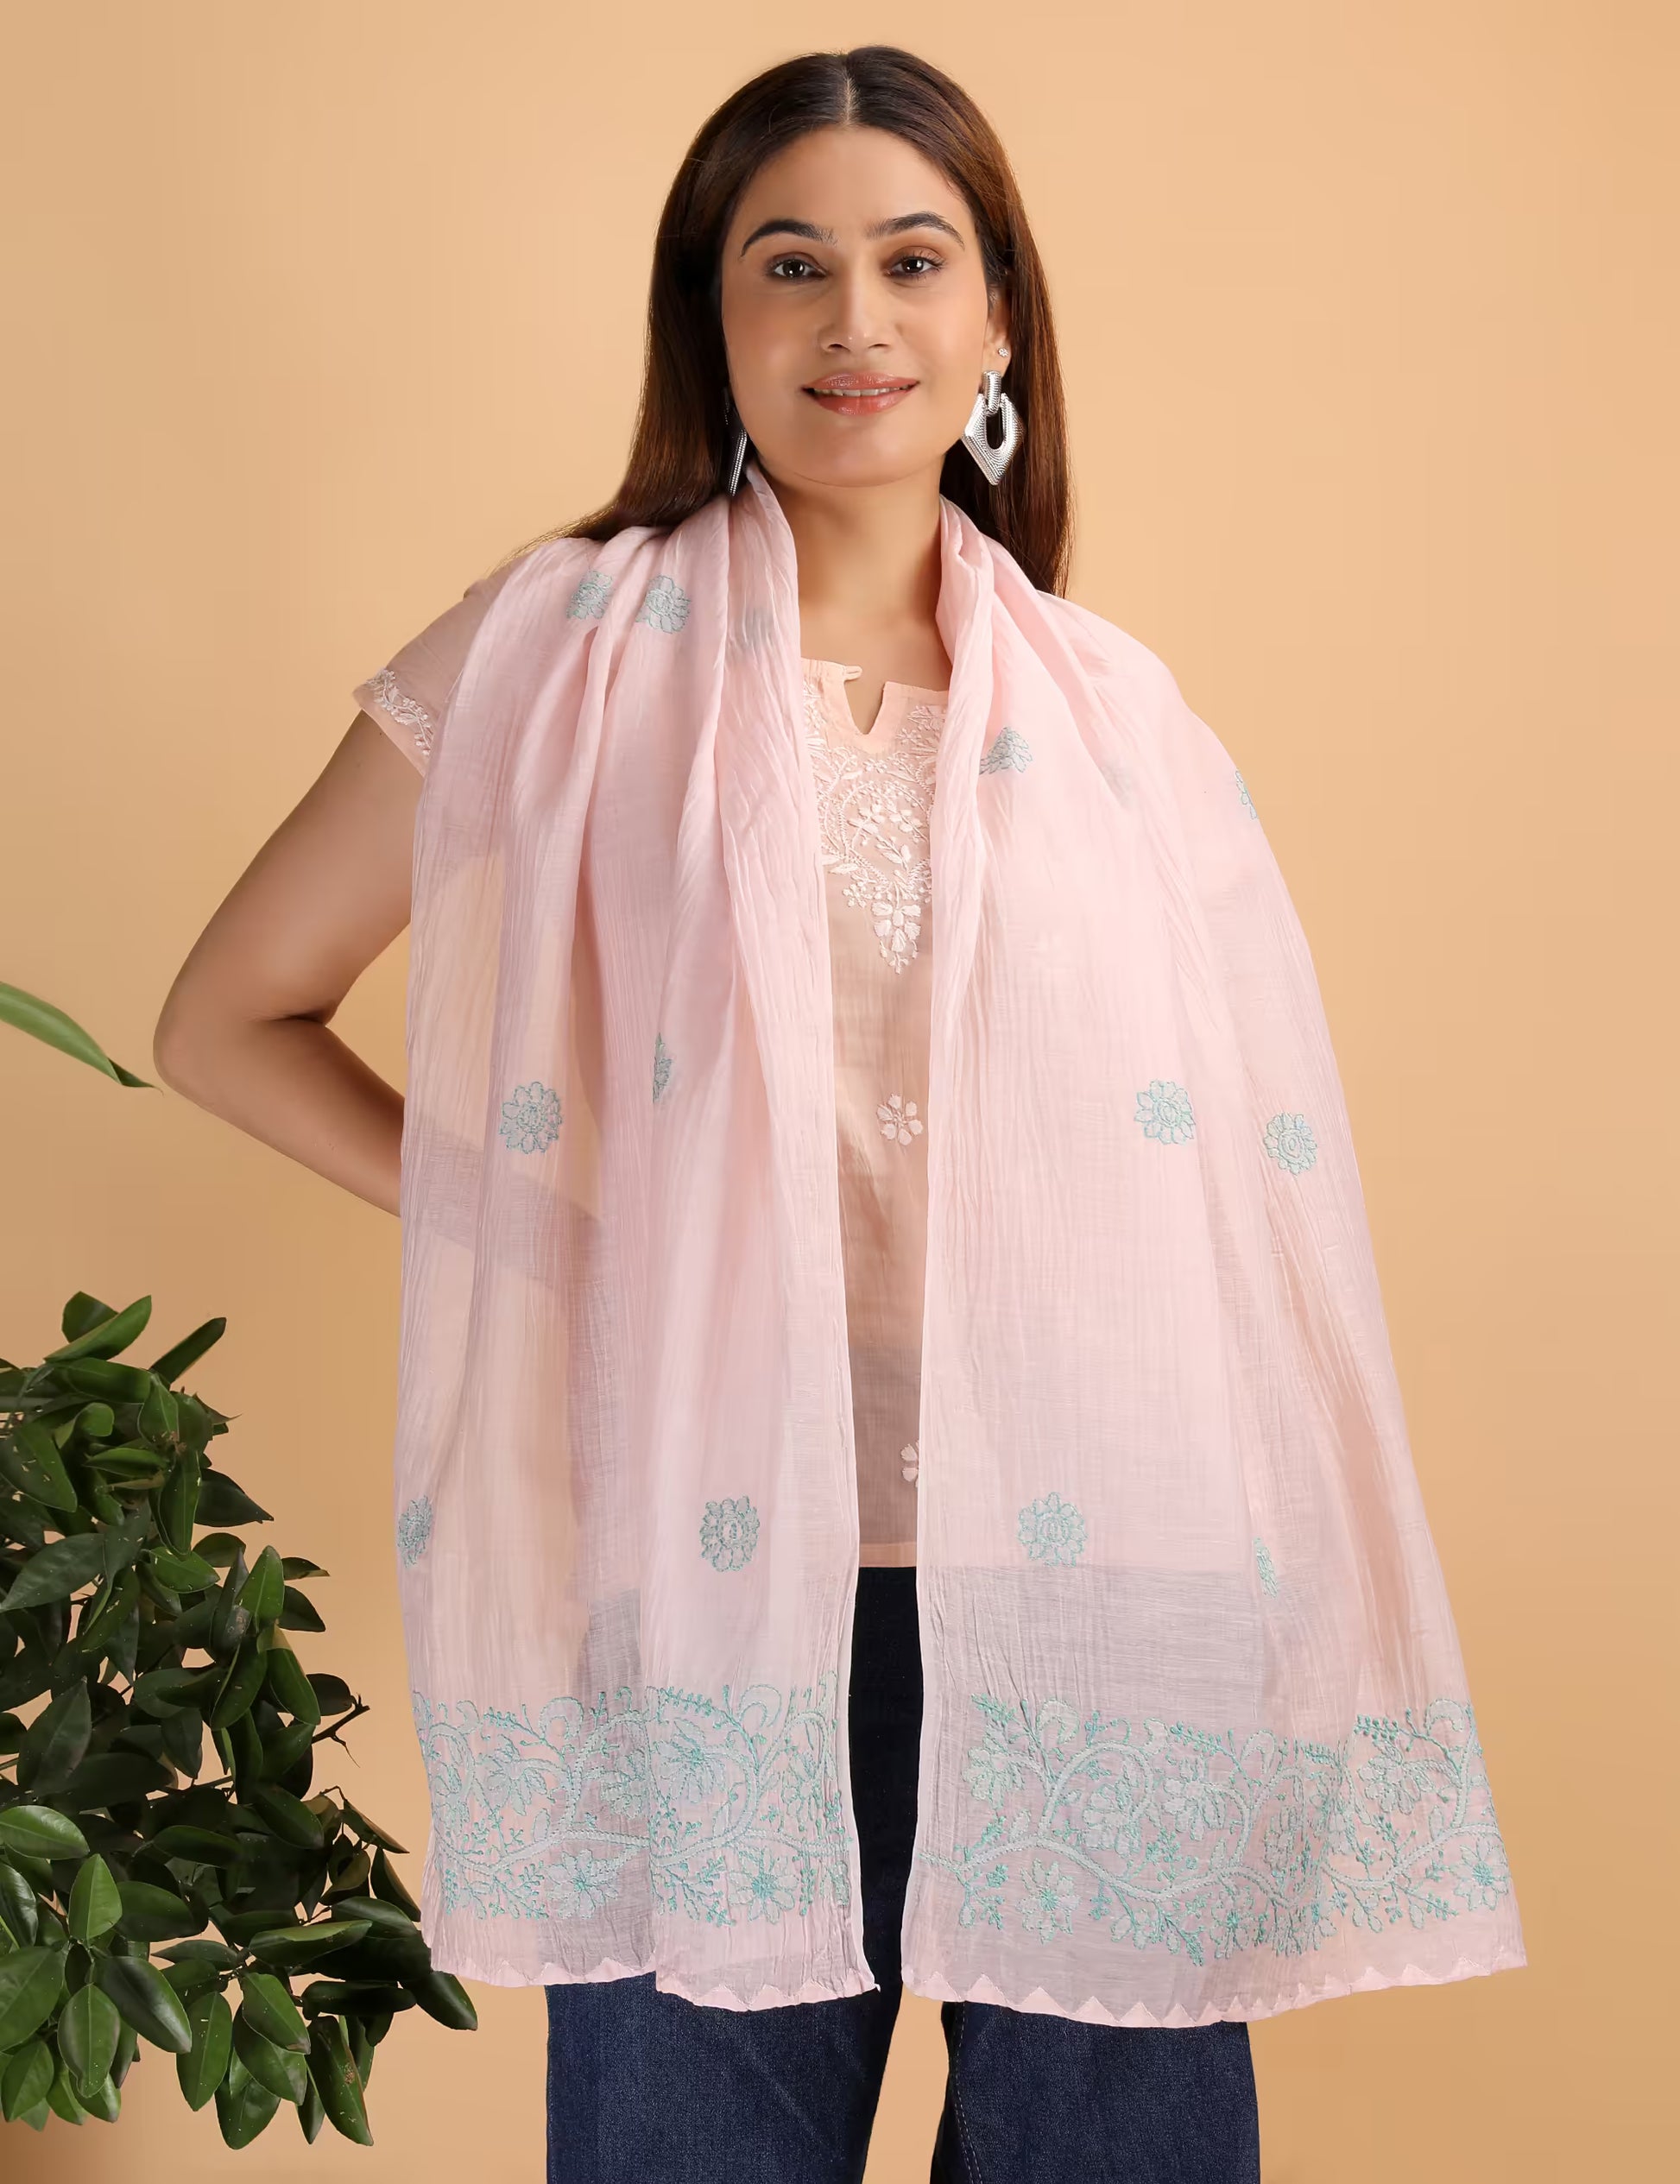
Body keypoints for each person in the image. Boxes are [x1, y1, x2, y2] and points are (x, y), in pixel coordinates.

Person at [155, 46, 1520, 2184]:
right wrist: (568, 1235)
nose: (854, 319)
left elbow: (1243, 1210)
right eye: (788, 264)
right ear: (711, 321)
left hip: (1109, 1586)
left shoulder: (1118, 714)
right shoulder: (554, 651)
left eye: (912, 260)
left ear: (995, 326)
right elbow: (224, 1014)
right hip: (719, 1572)